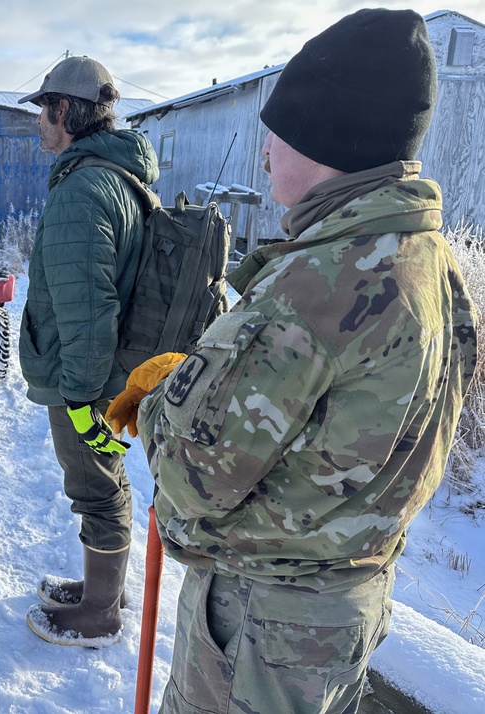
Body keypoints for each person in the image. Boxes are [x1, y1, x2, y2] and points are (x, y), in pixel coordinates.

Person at [128, 10, 478, 713]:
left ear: (326, 140)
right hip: (344, 606)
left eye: (275, 135)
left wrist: (165, 398)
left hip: (264, 626)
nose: (263, 153)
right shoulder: (428, 260)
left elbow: (191, 480)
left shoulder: (317, 283)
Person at [16, 56, 158, 647]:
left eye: (44, 111)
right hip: (110, 372)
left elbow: (86, 308)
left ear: (67, 110)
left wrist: (78, 395)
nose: (39, 124)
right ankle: (104, 588)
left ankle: (100, 613)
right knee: (105, 477)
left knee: (94, 485)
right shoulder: (118, 178)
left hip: (89, 379)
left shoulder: (83, 189)